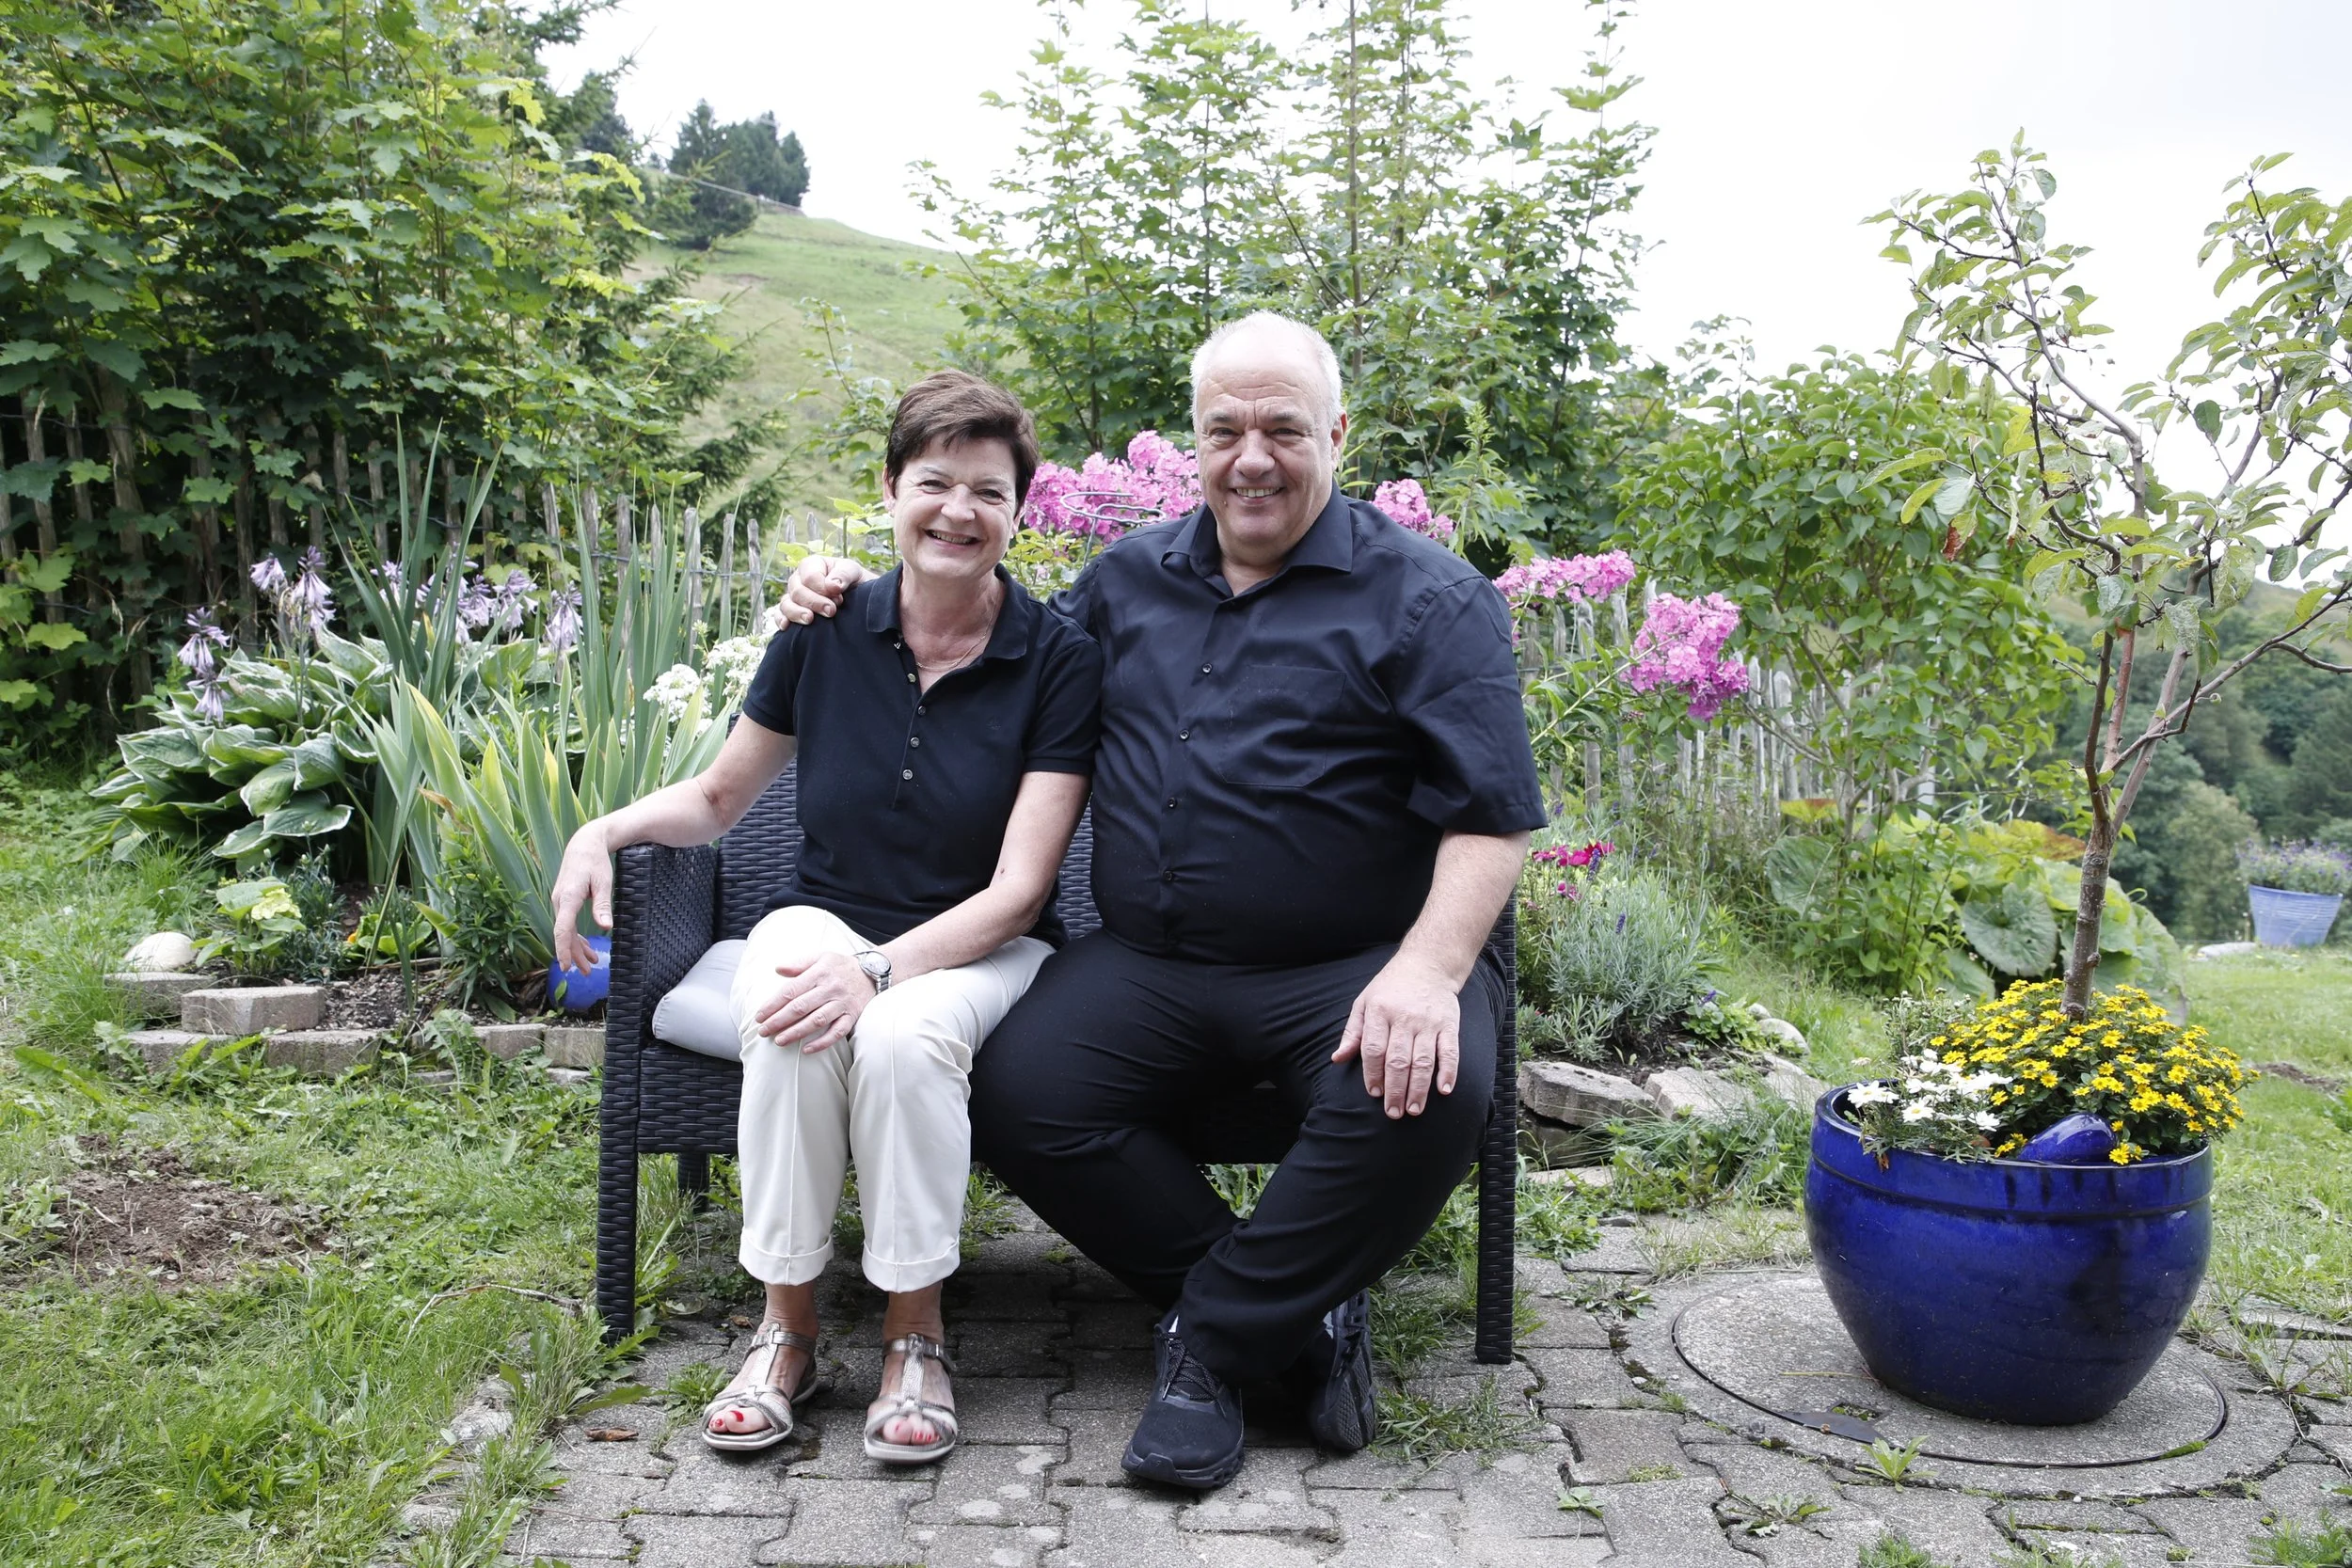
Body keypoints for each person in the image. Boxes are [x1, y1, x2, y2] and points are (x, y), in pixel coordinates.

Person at [781, 311, 1544, 1489]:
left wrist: (1429, 969)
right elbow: (987, 637)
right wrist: (838, 593)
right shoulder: (1124, 582)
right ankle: (1302, 1322)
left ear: (1335, 433)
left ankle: (1215, 1345)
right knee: (1020, 1086)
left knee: (1426, 1086)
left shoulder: (1432, 600)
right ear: (1193, 444)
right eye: (1223, 428)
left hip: (1355, 956)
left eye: (1283, 427)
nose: (1252, 456)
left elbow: (1491, 816)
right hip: (1155, 961)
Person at [550, 371, 1103, 1464]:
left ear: (1017, 514)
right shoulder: (824, 626)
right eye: (934, 481)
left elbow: (1020, 889)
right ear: (891, 489)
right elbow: (716, 799)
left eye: (987, 491)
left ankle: (916, 1337)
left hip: (981, 943)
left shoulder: (1057, 658)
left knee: (898, 1032)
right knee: (797, 1010)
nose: (958, 510)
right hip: (820, 915)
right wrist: (597, 830)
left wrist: (882, 972)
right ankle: (786, 1330)